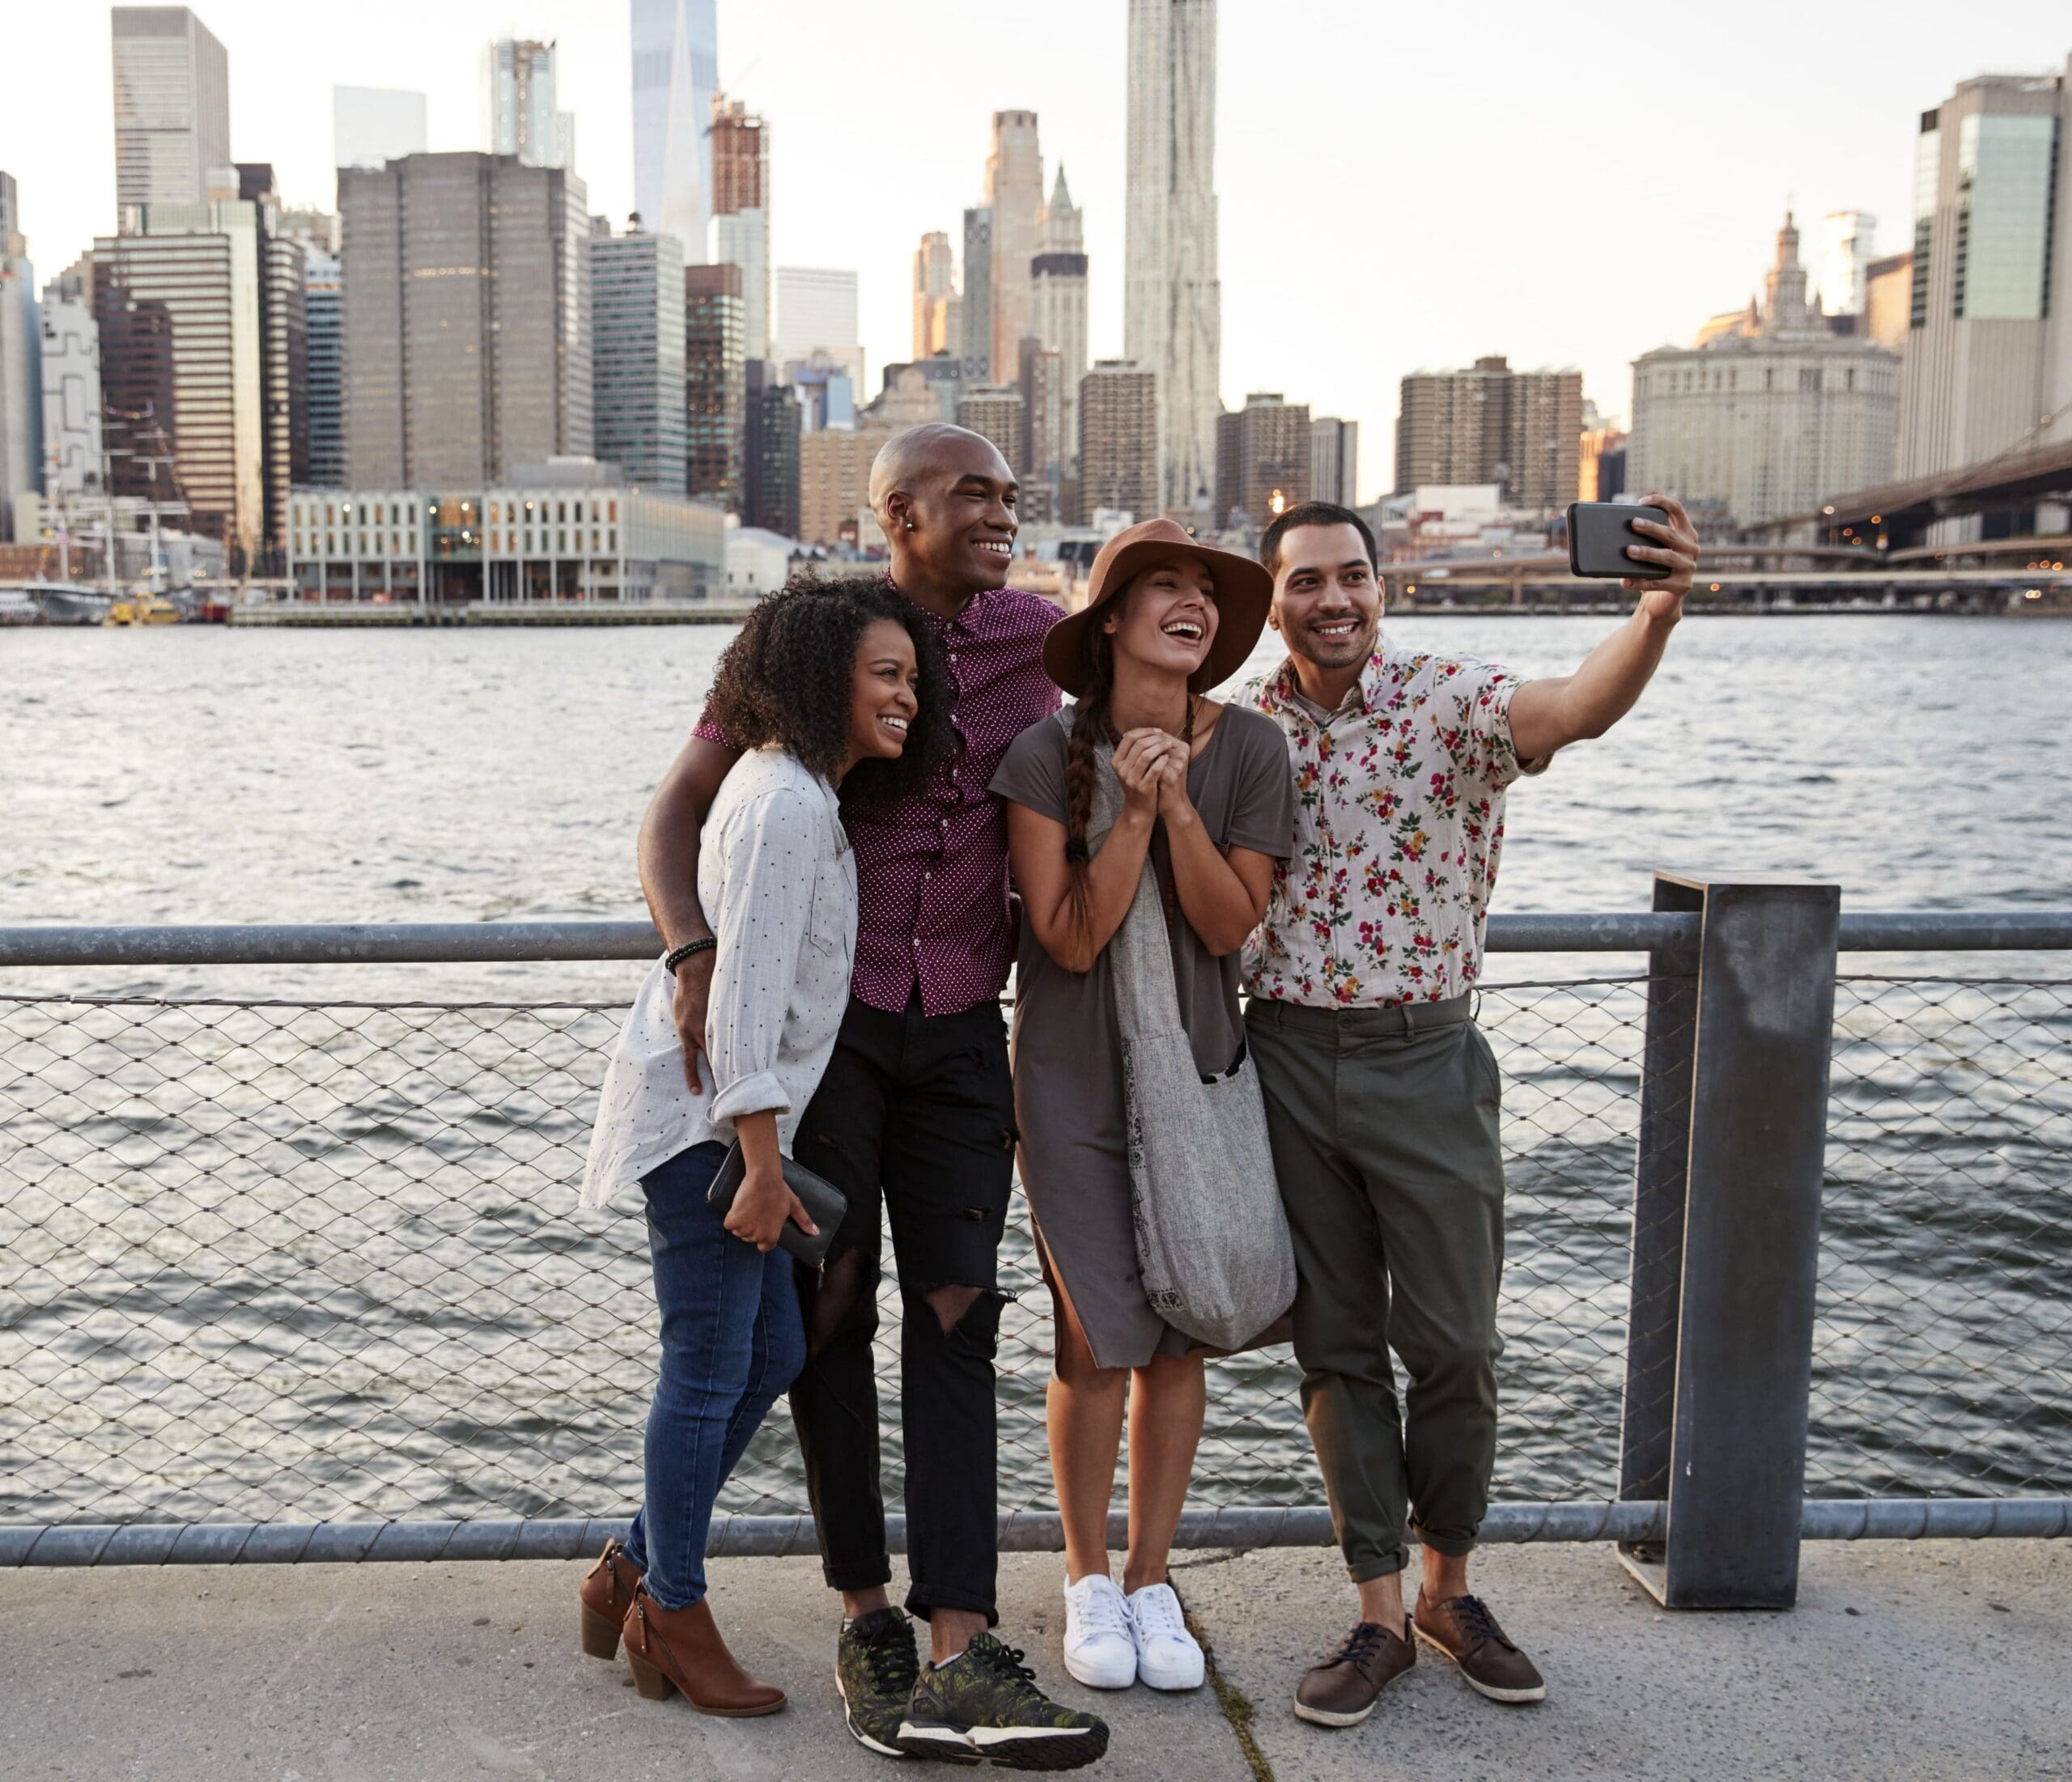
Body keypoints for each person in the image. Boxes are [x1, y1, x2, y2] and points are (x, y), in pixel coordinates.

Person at [633, 426, 1110, 1770]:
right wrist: (692, 950)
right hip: (830, 1039)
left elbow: (1164, 652)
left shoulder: (1038, 632)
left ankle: (963, 1644)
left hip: (963, 1030)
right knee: (827, 1315)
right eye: (970, 493)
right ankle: (866, 1615)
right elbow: (672, 811)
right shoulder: (814, 635)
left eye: (1013, 491)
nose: (1001, 510)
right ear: (892, 512)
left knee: (960, 1312)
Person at [1239, 496, 1699, 1728]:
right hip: (1279, 1052)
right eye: (1305, 583)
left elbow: (1575, 707)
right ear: (1271, 597)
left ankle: (1452, 1586)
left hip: (1426, 1054)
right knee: (1336, 1347)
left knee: (1455, 1343)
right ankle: (1380, 1611)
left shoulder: (1452, 699)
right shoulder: (1242, 726)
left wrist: (1653, 615)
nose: (1331, 600)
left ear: (1382, 588)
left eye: (1351, 578)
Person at [575, 577, 949, 1716]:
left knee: (776, 1344)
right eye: (884, 674)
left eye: (913, 679)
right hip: (710, 1125)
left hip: (730, 1119)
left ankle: (633, 1563)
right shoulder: (783, 803)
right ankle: (673, 1609)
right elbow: (733, 1004)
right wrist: (763, 1163)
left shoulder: (801, 795)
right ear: (818, 674)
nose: (906, 694)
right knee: (707, 1363)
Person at [991, 519, 1294, 1695]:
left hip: (1204, 1075)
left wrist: (1175, 808)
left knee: (1183, 1325)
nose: (1192, 605)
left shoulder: (1252, 751)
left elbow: (1228, 926)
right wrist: (1124, 808)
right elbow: (1068, 937)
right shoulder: (1038, 756)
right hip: (1069, 1084)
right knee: (1095, 1335)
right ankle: (1085, 1575)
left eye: (1207, 593)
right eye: (1163, 586)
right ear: (1109, 620)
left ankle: (1152, 1574)